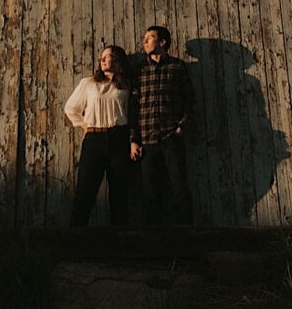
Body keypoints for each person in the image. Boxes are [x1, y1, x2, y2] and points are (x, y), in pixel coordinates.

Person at [129, 25, 196, 225]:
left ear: (162, 42)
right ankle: (155, 240)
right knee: (150, 192)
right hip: (147, 140)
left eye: (149, 37)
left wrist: (181, 127)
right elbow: (133, 107)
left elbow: (190, 101)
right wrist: (134, 140)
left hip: (170, 137)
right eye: (144, 37)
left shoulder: (177, 67)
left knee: (179, 189)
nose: (145, 41)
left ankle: (185, 236)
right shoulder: (139, 71)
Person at [65, 45, 133, 226]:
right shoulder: (88, 83)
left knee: (119, 191)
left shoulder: (126, 84)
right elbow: (71, 108)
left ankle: (120, 239)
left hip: (119, 138)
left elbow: (131, 113)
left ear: (118, 60)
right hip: (94, 138)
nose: (103, 60)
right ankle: (76, 236)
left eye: (108, 56)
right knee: (85, 189)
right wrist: (85, 126)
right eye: (101, 57)